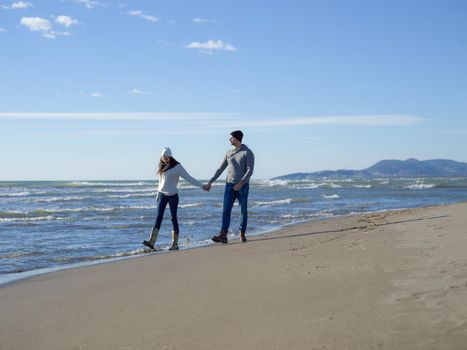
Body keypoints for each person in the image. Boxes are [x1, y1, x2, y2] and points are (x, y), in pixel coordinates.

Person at [143, 147, 206, 251]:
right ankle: (151, 242)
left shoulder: (178, 167)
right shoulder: (161, 166)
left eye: (166, 157)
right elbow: (160, 181)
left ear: (170, 156)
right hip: (162, 195)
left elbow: (189, 178)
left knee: (173, 218)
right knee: (158, 217)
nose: (164, 159)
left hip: (173, 196)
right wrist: (157, 194)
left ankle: (175, 244)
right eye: (162, 157)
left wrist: (202, 186)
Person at [204, 130, 255, 243]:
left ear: (237, 138)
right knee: (226, 210)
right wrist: (210, 182)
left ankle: (242, 233)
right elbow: (220, 169)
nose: (229, 139)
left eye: (231, 137)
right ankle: (223, 235)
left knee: (243, 210)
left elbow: (250, 170)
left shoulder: (247, 152)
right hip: (229, 185)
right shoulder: (229, 152)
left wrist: (241, 183)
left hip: (242, 186)